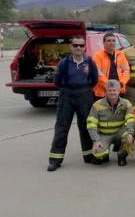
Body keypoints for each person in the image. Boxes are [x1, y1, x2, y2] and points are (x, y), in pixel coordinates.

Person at [47, 35, 99, 171]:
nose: (78, 48)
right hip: (67, 96)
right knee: (62, 127)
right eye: (75, 45)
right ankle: (55, 159)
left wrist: (84, 89)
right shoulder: (64, 63)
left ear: (84, 47)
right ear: (71, 47)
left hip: (85, 95)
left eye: (81, 45)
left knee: (86, 126)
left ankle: (88, 156)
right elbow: (57, 81)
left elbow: (94, 80)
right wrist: (69, 89)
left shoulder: (89, 62)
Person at [87, 79, 135, 166]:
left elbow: (130, 120)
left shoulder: (126, 103)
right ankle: (104, 155)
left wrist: (131, 133)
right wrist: (96, 140)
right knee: (99, 153)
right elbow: (91, 124)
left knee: (129, 137)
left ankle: (122, 156)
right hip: (104, 134)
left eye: (114, 90)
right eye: (110, 90)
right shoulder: (97, 105)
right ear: (106, 91)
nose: (112, 93)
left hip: (119, 132)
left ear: (119, 91)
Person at [92, 32, 130, 99]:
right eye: (109, 41)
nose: (111, 43)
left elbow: (126, 71)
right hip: (103, 93)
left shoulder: (120, 55)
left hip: (119, 91)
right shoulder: (97, 56)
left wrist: (122, 83)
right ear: (103, 43)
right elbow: (98, 73)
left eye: (113, 41)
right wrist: (110, 86)